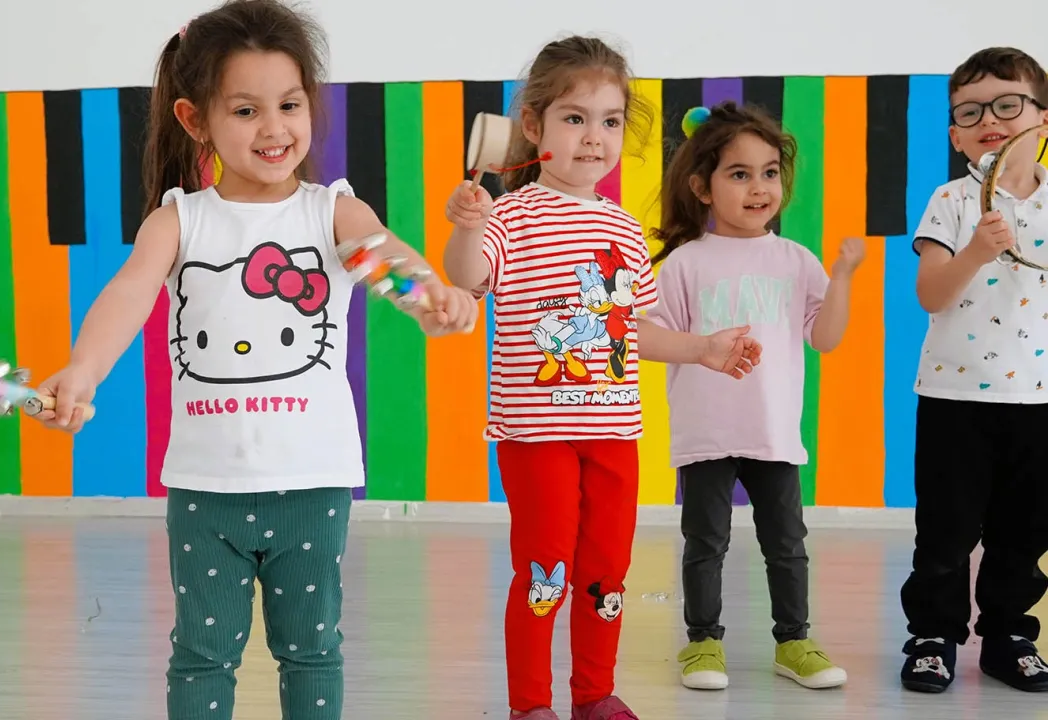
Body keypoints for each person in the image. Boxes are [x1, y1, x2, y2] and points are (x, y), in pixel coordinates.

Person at [33, 1, 478, 717]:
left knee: (312, 650)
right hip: (205, 488)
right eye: (246, 111)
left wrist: (435, 299)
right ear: (195, 119)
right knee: (202, 656)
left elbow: (392, 268)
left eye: (289, 105)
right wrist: (83, 370)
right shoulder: (179, 220)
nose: (274, 128)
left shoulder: (332, 213)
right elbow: (129, 294)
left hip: (313, 483)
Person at [443, 37, 762, 720]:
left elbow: (632, 327)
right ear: (534, 127)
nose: (595, 137)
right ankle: (531, 705)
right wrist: (469, 225)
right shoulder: (510, 215)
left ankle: (593, 694)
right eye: (575, 118)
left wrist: (701, 349)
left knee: (606, 573)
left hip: (614, 432)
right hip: (537, 435)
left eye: (610, 121)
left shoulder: (622, 227)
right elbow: (467, 277)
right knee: (545, 571)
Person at [645, 101, 858, 692]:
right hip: (706, 432)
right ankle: (702, 643)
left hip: (773, 433)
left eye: (769, 172)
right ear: (702, 187)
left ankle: (794, 642)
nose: (759, 187)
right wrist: (700, 347)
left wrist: (841, 279)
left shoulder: (795, 260)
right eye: (739, 174)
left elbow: (826, 338)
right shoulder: (684, 263)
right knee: (704, 543)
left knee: (787, 545)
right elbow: (648, 338)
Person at [898, 46, 1048, 694]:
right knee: (945, 531)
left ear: (1042, 119)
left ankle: (1009, 636)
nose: (989, 119)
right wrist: (977, 253)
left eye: (1007, 105)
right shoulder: (953, 200)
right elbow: (931, 294)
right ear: (956, 135)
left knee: (1026, 531)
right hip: (954, 396)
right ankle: (933, 635)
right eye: (970, 111)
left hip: (1038, 401)